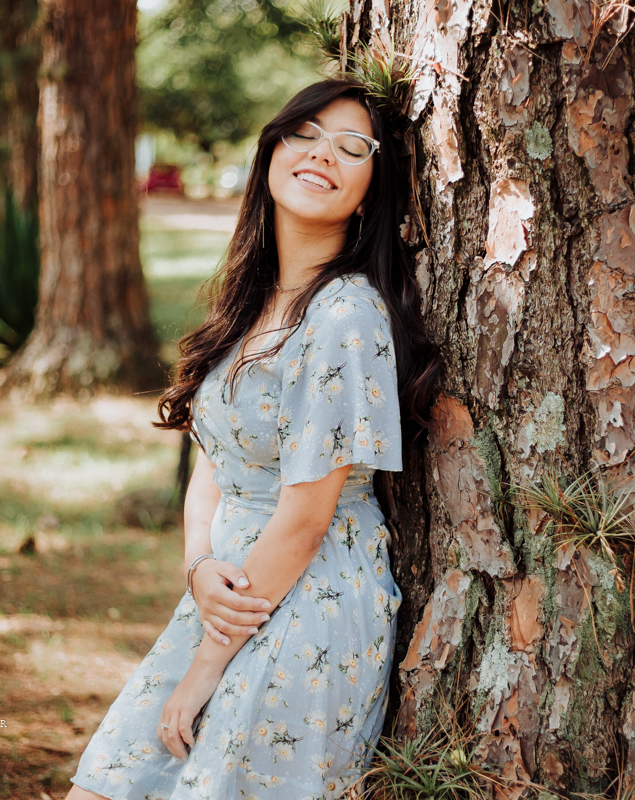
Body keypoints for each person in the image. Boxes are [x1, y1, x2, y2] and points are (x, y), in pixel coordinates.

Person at [65, 76, 443, 800]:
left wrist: (208, 664)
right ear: (271, 152)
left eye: (351, 147)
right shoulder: (250, 301)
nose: (321, 154)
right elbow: (211, 456)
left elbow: (305, 518)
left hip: (308, 603)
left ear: (370, 190)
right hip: (227, 594)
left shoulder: (345, 317)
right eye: (304, 134)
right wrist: (198, 564)